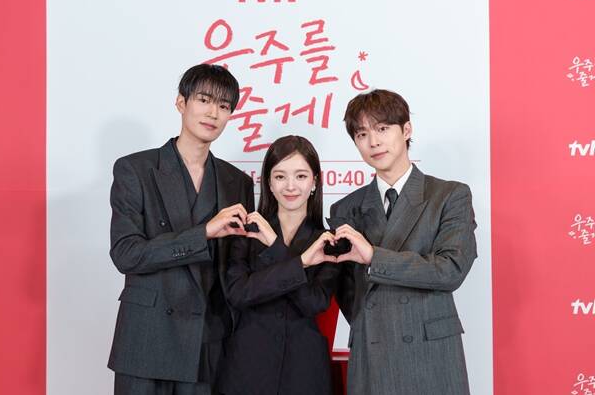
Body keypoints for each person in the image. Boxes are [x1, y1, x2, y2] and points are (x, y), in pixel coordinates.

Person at [107, 64, 255, 395]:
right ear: (181, 103)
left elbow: (236, 267)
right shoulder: (136, 169)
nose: (213, 113)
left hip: (207, 341)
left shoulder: (237, 182)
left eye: (224, 106)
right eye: (204, 100)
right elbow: (126, 254)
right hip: (147, 339)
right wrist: (203, 233)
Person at [330, 89, 477, 395]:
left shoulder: (449, 195)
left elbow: (450, 269)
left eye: (382, 128)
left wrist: (374, 257)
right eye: (362, 134)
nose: (373, 142)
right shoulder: (346, 209)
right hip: (372, 351)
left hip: (431, 354)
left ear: (406, 129)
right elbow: (348, 292)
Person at [218, 136, 339, 395]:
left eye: (301, 176)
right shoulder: (247, 232)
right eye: (280, 176)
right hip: (247, 370)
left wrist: (275, 247)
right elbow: (238, 294)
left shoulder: (327, 241)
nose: (290, 186)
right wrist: (301, 262)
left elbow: (314, 303)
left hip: (304, 374)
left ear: (315, 181)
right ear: (269, 183)